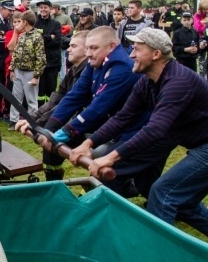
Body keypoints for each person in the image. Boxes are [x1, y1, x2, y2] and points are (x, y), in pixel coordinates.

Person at [70, 28, 208, 256]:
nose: (130, 54)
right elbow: (123, 117)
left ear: (156, 54)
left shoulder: (178, 81)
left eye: (137, 49)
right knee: (183, 202)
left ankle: (160, 257)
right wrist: (88, 145)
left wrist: (109, 158)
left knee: (163, 193)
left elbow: (156, 129)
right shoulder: (147, 82)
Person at [30, 26, 144, 185]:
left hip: (133, 131)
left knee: (106, 172)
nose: (88, 53)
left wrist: (64, 133)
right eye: (88, 48)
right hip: (110, 125)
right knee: (53, 148)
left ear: (111, 46)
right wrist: (50, 129)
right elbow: (74, 96)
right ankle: (53, 185)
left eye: (94, 48)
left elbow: (98, 108)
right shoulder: (95, 62)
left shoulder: (123, 68)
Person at [6, 10, 45, 127]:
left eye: (21, 21)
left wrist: (36, 76)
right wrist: (12, 69)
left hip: (30, 72)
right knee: (16, 97)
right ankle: (13, 121)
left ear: (25, 22)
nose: (18, 24)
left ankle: (32, 122)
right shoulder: (21, 36)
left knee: (31, 99)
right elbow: (16, 54)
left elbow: (41, 58)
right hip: (18, 71)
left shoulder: (37, 37)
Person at [34, 0, 62, 101]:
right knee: (39, 92)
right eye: (41, 7)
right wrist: (50, 37)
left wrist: (42, 38)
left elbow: (58, 42)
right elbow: (34, 41)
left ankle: (49, 112)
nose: (43, 9)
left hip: (53, 63)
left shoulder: (56, 24)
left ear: (50, 9)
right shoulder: (35, 23)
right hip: (39, 63)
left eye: (45, 7)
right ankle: (40, 112)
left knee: (51, 90)